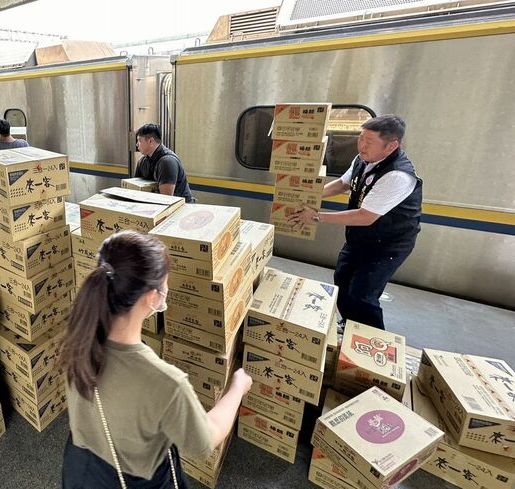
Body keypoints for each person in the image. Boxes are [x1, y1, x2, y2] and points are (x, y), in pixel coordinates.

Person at [60, 231, 253, 488]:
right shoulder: (166, 383)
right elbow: (205, 441)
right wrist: (237, 388)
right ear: (153, 297)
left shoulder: (77, 337)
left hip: (82, 470)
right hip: (134, 479)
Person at [288, 115, 422, 330]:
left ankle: (370, 340)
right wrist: (310, 197)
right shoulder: (363, 159)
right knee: (342, 279)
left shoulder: (397, 175)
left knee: (363, 293)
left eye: (369, 142)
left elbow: (365, 216)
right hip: (361, 238)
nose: (361, 145)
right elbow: (343, 184)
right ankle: (350, 325)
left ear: (391, 146)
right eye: (361, 138)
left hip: (388, 244)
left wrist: (315, 216)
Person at [134, 123, 195, 202]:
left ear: (150, 141)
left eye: (139, 140)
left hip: (179, 209)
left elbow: (165, 199)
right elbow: (134, 188)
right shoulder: (142, 161)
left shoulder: (167, 162)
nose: (137, 144)